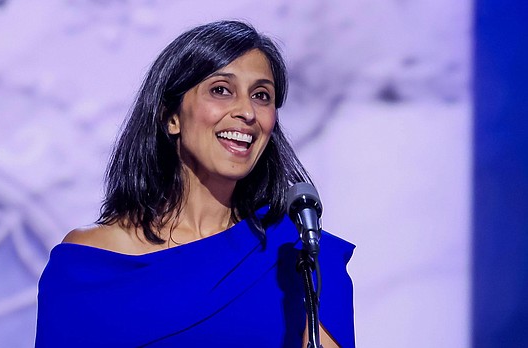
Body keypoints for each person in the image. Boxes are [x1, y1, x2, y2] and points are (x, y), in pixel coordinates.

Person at [35, 20, 355, 348]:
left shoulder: (304, 256)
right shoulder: (88, 266)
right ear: (170, 117)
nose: (247, 111)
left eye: (261, 96)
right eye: (221, 90)